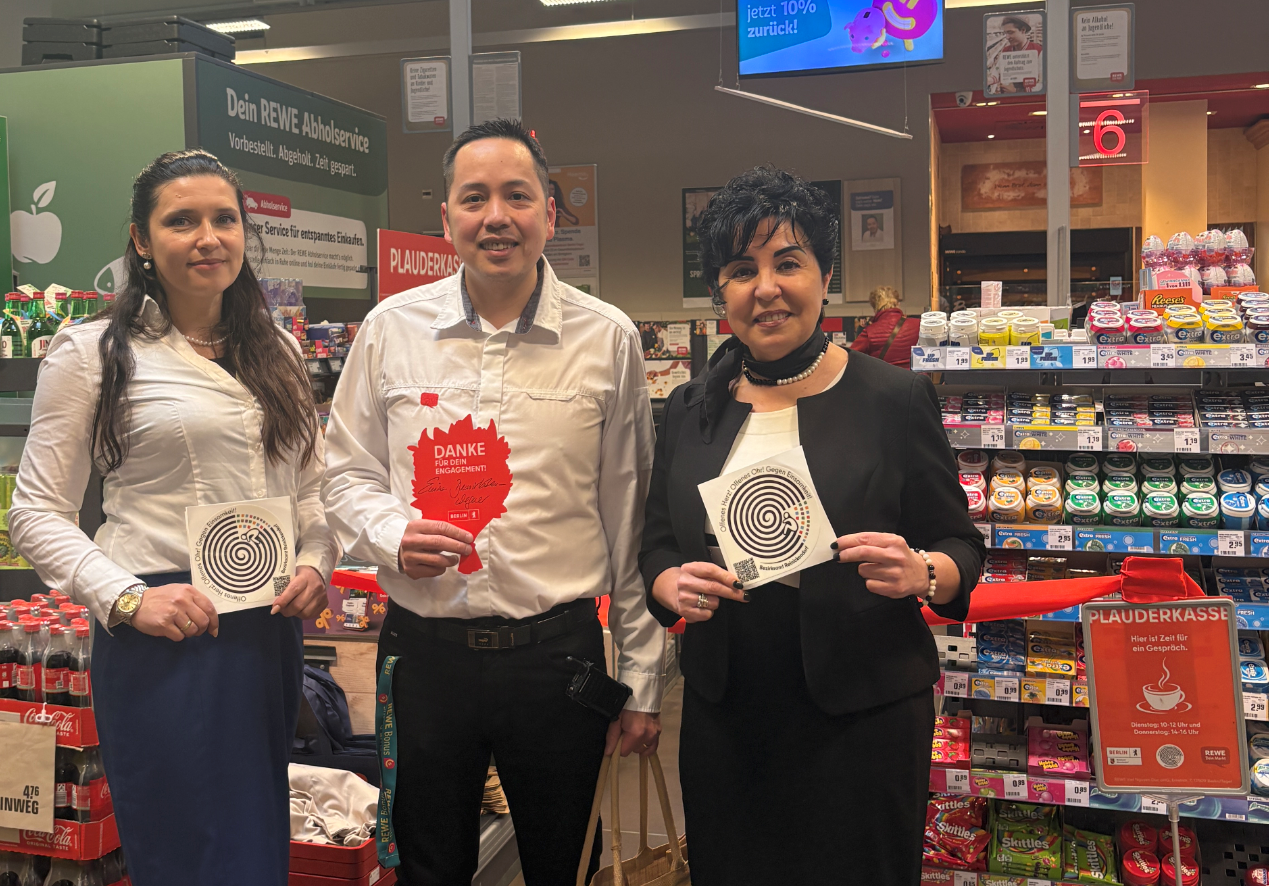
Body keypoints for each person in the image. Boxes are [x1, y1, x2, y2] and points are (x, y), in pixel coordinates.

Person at [321, 119, 666, 886]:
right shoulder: (389, 331)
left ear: (549, 210)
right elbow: (342, 472)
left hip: (560, 659)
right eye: (473, 199)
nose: (496, 217)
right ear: (445, 218)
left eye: (517, 196)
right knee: (425, 862)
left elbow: (632, 520)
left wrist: (641, 683)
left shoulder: (606, 339)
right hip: (424, 657)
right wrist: (388, 534)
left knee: (564, 858)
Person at [640, 167, 985, 886]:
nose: (764, 287)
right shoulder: (688, 407)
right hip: (724, 711)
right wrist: (670, 582)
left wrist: (922, 571)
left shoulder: (891, 398)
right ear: (720, 293)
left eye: (786, 262)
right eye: (741, 270)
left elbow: (961, 548)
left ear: (824, 277)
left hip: (861, 715)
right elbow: (657, 544)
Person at [9, 149, 339, 886]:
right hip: (164, 628)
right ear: (141, 240)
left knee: (254, 846)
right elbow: (35, 513)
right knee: (185, 850)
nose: (207, 237)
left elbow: (313, 494)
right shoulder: (92, 353)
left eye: (224, 219)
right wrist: (128, 598)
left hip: (265, 626)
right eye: (181, 221)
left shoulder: (278, 351)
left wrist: (316, 559)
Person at [851, 284, 919, 367]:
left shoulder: (869, 332)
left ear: (875, 309)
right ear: (898, 304)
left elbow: (849, 358)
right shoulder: (919, 325)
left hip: (882, 379)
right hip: (914, 378)